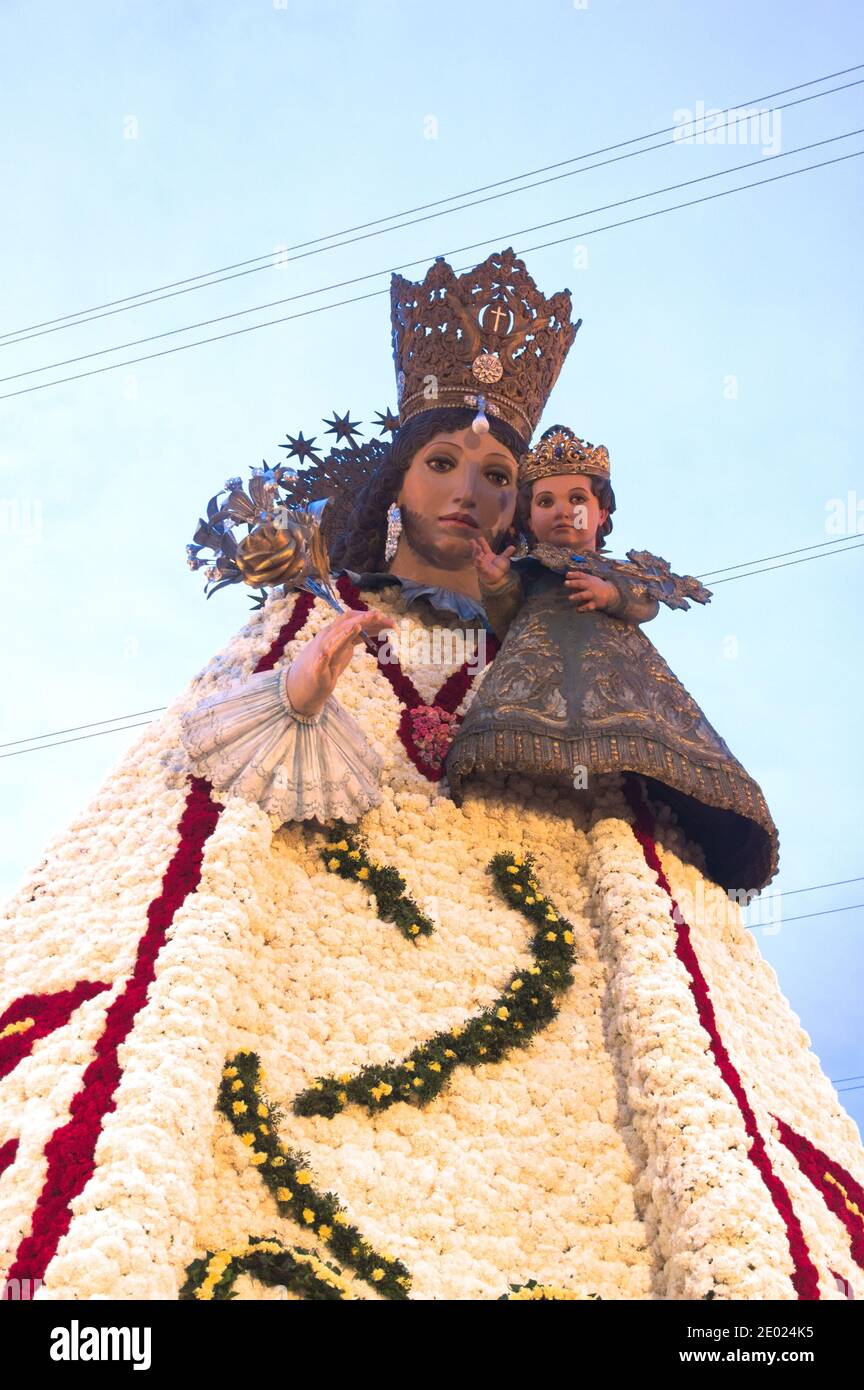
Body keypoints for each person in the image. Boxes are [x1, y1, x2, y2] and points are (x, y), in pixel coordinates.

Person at [2, 249, 862, 1304]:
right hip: (297, 973)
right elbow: (190, 785)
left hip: (561, 1038)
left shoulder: (559, 655)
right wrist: (298, 691)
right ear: (397, 485)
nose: (471, 491)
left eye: (499, 475)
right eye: (444, 464)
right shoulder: (312, 616)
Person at [448, 424, 779, 893]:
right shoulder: (529, 569)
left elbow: (644, 604)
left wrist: (611, 595)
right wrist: (498, 583)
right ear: (527, 518)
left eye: (576, 500)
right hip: (538, 668)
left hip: (619, 672)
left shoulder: (616, 570)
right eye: (545, 502)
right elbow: (506, 622)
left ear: (602, 513)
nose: (562, 511)